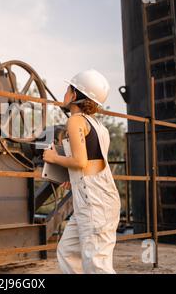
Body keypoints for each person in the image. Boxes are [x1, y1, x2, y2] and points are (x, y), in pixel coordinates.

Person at [43, 69, 121, 274]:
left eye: (69, 88)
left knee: (97, 264)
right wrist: (74, 175)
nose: (65, 92)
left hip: (94, 203)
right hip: (94, 200)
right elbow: (92, 162)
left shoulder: (76, 120)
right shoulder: (97, 125)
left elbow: (80, 160)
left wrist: (53, 158)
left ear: (75, 95)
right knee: (68, 252)